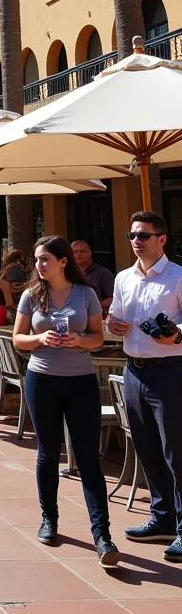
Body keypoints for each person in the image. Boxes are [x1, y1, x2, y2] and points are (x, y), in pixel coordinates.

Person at [13, 236, 118, 565]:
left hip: (80, 382)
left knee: (88, 458)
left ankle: (102, 534)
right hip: (42, 380)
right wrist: (39, 337)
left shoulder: (85, 293)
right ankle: (49, 519)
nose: (39, 265)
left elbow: (98, 338)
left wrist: (80, 339)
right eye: (36, 260)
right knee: (48, 452)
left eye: (45, 259)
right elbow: (18, 339)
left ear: (63, 261)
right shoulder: (32, 295)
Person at [107, 210, 182, 562]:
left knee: (176, 451)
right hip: (134, 369)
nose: (136, 241)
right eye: (132, 236)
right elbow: (115, 320)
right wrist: (114, 325)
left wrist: (176, 334)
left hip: (171, 370)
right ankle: (162, 517)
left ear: (161, 239)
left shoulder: (178, 277)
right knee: (147, 447)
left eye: (144, 236)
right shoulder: (124, 278)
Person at [71, 239, 115, 314]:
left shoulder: (103, 273)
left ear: (90, 253)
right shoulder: (68, 273)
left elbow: (114, 299)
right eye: (75, 252)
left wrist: (92, 306)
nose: (78, 254)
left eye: (82, 251)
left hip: (96, 317)